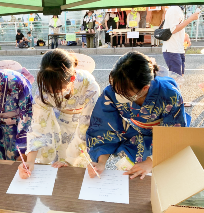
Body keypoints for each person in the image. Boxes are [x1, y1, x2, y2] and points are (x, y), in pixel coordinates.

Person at [86, 52, 187, 180]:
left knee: (161, 176)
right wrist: (101, 163)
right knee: (134, 176)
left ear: (145, 88)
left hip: (161, 135)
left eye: (125, 94)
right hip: (134, 132)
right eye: (116, 89)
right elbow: (104, 127)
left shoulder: (169, 94)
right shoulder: (114, 90)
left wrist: (151, 161)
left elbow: (174, 134)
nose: (117, 94)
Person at [18, 49, 101, 179]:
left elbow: (86, 125)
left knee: (77, 172)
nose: (52, 91)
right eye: (48, 87)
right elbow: (38, 124)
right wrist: (30, 160)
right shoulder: (45, 88)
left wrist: (69, 159)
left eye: (57, 88)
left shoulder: (89, 85)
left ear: (72, 78)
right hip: (59, 124)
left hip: (81, 127)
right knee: (57, 169)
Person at [162, 6, 200, 76]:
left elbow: (175, 27)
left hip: (178, 49)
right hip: (172, 49)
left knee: (180, 78)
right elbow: (173, 29)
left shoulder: (178, 9)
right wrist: (190, 19)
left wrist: (185, 35)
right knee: (176, 79)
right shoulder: (174, 9)